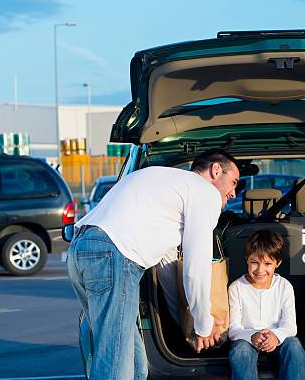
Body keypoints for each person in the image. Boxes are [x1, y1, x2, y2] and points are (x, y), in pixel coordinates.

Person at [67, 149, 240, 380]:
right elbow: (196, 268)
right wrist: (203, 324)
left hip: (80, 251)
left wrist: (181, 321)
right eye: (233, 182)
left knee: (137, 367)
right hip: (114, 256)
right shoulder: (204, 192)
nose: (234, 193)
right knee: (116, 368)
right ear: (215, 170)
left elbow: (167, 267)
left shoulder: (164, 183)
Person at [228, 230, 305, 380]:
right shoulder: (236, 288)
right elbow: (233, 329)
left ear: (278, 263)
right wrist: (252, 335)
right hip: (248, 340)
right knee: (240, 352)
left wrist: (275, 337)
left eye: (267, 264)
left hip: (278, 339)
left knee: (294, 346)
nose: (260, 270)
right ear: (246, 260)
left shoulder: (284, 286)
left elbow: (290, 327)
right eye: (254, 263)